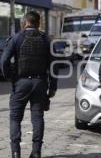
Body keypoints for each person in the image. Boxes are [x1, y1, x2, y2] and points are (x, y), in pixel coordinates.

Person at [0, 11, 57, 158]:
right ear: (38, 23)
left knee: (15, 118)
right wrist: (53, 87)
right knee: (37, 118)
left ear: (24, 22)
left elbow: (4, 61)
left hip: (20, 82)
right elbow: (54, 66)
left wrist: (9, 77)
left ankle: (15, 153)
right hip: (40, 83)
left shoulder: (16, 38)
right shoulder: (46, 40)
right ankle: (36, 152)